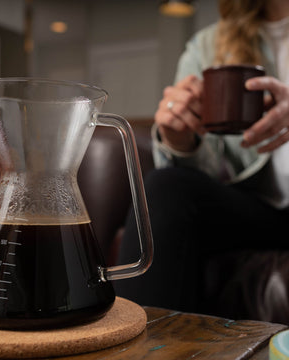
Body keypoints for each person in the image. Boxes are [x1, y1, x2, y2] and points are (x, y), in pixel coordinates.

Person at [115, 0, 289, 319]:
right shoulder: (208, 46)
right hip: (261, 209)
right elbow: (210, 168)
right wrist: (181, 140)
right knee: (166, 187)